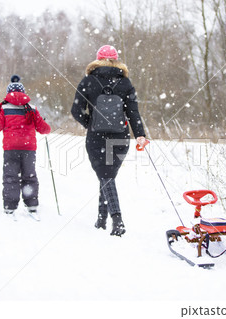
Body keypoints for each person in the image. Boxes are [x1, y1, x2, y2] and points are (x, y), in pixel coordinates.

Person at [71, 45, 147, 236]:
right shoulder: (125, 83)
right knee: (107, 176)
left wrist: (90, 123)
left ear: (97, 59)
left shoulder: (88, 81)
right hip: (120, 136)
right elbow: (133, 112)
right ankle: (101, 220)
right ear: (116, 60)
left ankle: (117, 220)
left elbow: (75, 110)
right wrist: (140, 134)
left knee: (105, 176)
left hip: (96, 137)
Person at [0, 75, 51, 218]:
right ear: (24, 92)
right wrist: (43, 122)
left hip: (11, 149)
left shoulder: (5, 108)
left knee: (10, 177)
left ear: (9, 93)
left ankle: (10, 206)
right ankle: (32, 204)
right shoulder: (32, 109)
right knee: (29, 176)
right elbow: (45, 129)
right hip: (29, 149)